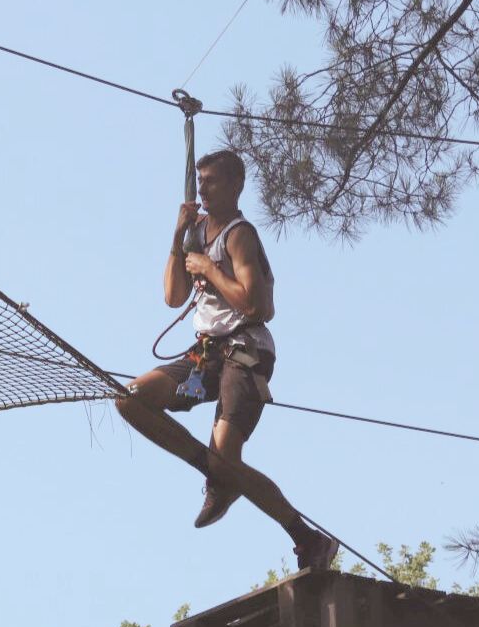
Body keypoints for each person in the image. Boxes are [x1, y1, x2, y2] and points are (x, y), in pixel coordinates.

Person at [116, 149, 339, 570]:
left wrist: (211, 269)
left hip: (245, 350)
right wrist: (178, 236)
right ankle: (217, 474)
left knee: (228, 460)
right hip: (206, 352)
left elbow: (258, 307)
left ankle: (305, 537)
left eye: (212, 181)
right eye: (200, 181)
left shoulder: (239, 235)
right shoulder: (197, 231)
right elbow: (173, 297)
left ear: (235, 185)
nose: (203, 188)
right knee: (130, 398)